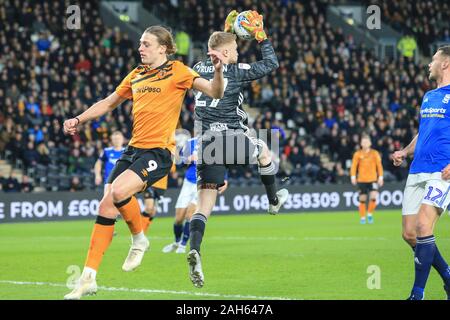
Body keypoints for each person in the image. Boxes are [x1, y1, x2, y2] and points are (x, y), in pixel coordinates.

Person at [63, 25, 225, 300]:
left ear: (163, 48)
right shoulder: (136, 74)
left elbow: (215, 92)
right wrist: (79, 119)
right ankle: (88, 278)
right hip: (133, 149)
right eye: (140, 43)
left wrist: (219, 70)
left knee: (117, 192)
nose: (141, 48)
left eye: (146, 44)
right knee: (105, 204)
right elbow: (109, 102)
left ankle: (139, 239)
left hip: (159, 152)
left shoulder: (179, 71)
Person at [186, 10, 288, 288]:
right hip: (231, 137)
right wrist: (260, 35)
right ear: (227, 54)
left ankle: (195, 247)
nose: (238, 54)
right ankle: (273, 201)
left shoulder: (196, 67)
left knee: (205, 201)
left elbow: (215, 51)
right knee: (265, 151)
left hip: (206, 143)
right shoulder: (237, 70)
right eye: (234, 50)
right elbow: (271, 63)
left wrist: (227, 29)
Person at [392, 46, 450, 300]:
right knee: (410, 233)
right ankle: (448, 276)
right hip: (417, 169)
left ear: (446, 64)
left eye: (433, 60)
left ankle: (417, 294)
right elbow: (423, 133)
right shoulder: (429, 96)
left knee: (424, 226)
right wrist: (405, 151)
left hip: (442, 171)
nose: (429, 65)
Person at [162, 135, 228, 254]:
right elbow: (179, 163)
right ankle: (176, 242)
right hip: (188, 182)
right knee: (178, 218)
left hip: (204, 183)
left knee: (190, 214)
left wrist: (225, 178)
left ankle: (183, 245)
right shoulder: (190, 142)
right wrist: (187, 159)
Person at [350, 135, 384, 224]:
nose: (365, 143)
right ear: (361, 143)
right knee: (362, 199)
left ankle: (369, 214)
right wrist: (353, 176)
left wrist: (380, 177)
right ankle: (362, 217)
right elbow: (354, 166)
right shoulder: (357, 154)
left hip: (373, 179)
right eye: (363, 142)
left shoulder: (375, 153)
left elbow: (379, 166)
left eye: (366, 142)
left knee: (373, 196)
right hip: (361, 180)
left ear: (370, 143)